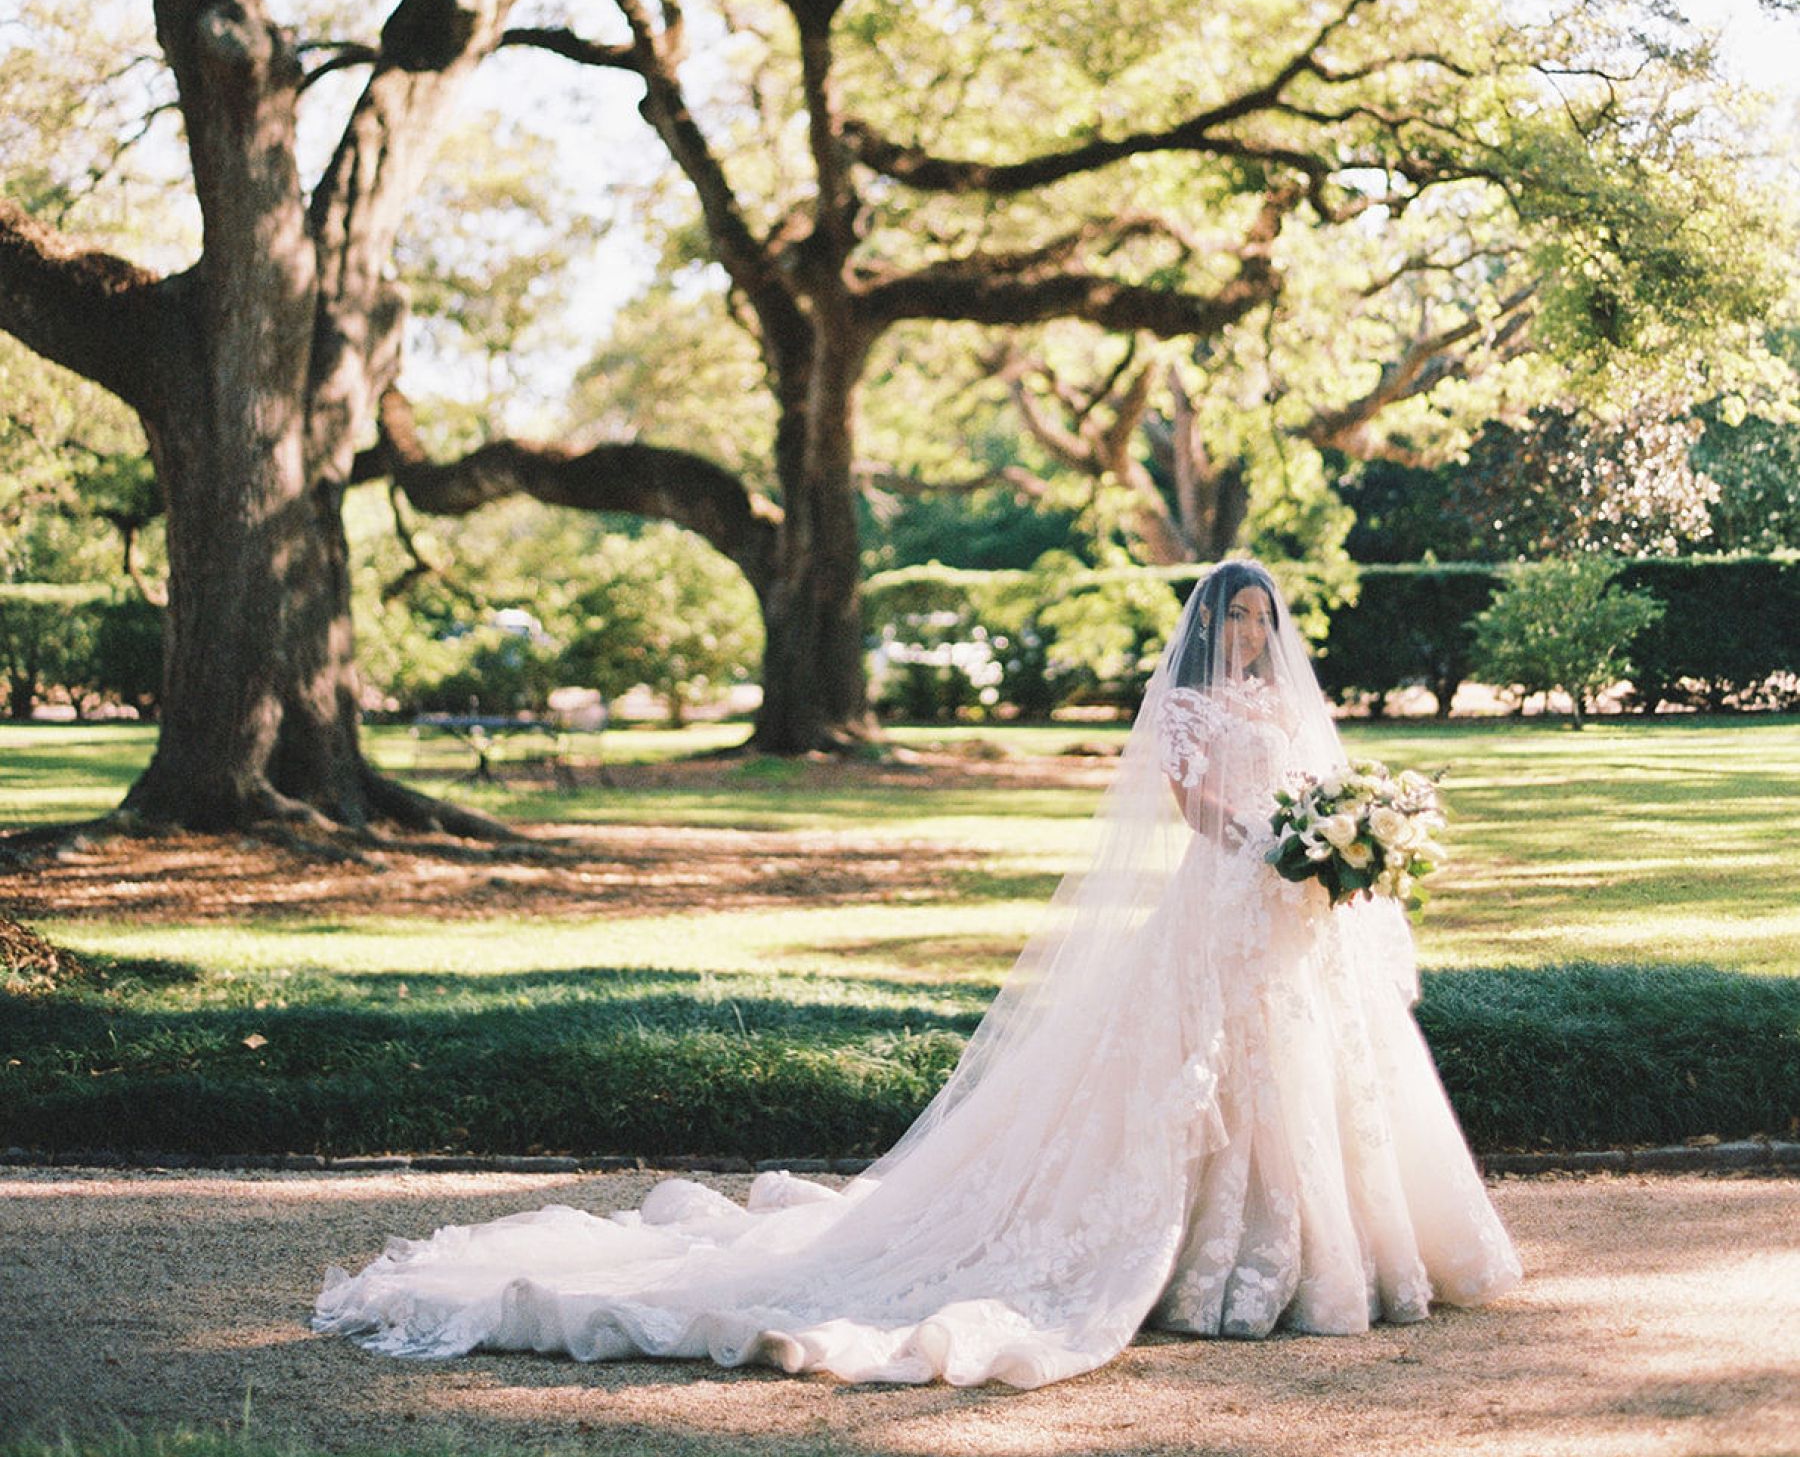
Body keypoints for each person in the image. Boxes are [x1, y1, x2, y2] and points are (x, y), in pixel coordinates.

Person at [315, 558, 1520, 1387]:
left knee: (1326, 1076)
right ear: (1214, 625)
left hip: (1290, 915)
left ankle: (1349, 1257)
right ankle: (1213, 1275)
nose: (1253, 634)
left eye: (1264, 618)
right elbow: (1195, 806)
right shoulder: (1189, 705)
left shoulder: (1292, 707)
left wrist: (1335, 847)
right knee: (1200, 1083)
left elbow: (1314, 789)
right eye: (1238, 618)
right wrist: (1269, 850)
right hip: (1219, 903)